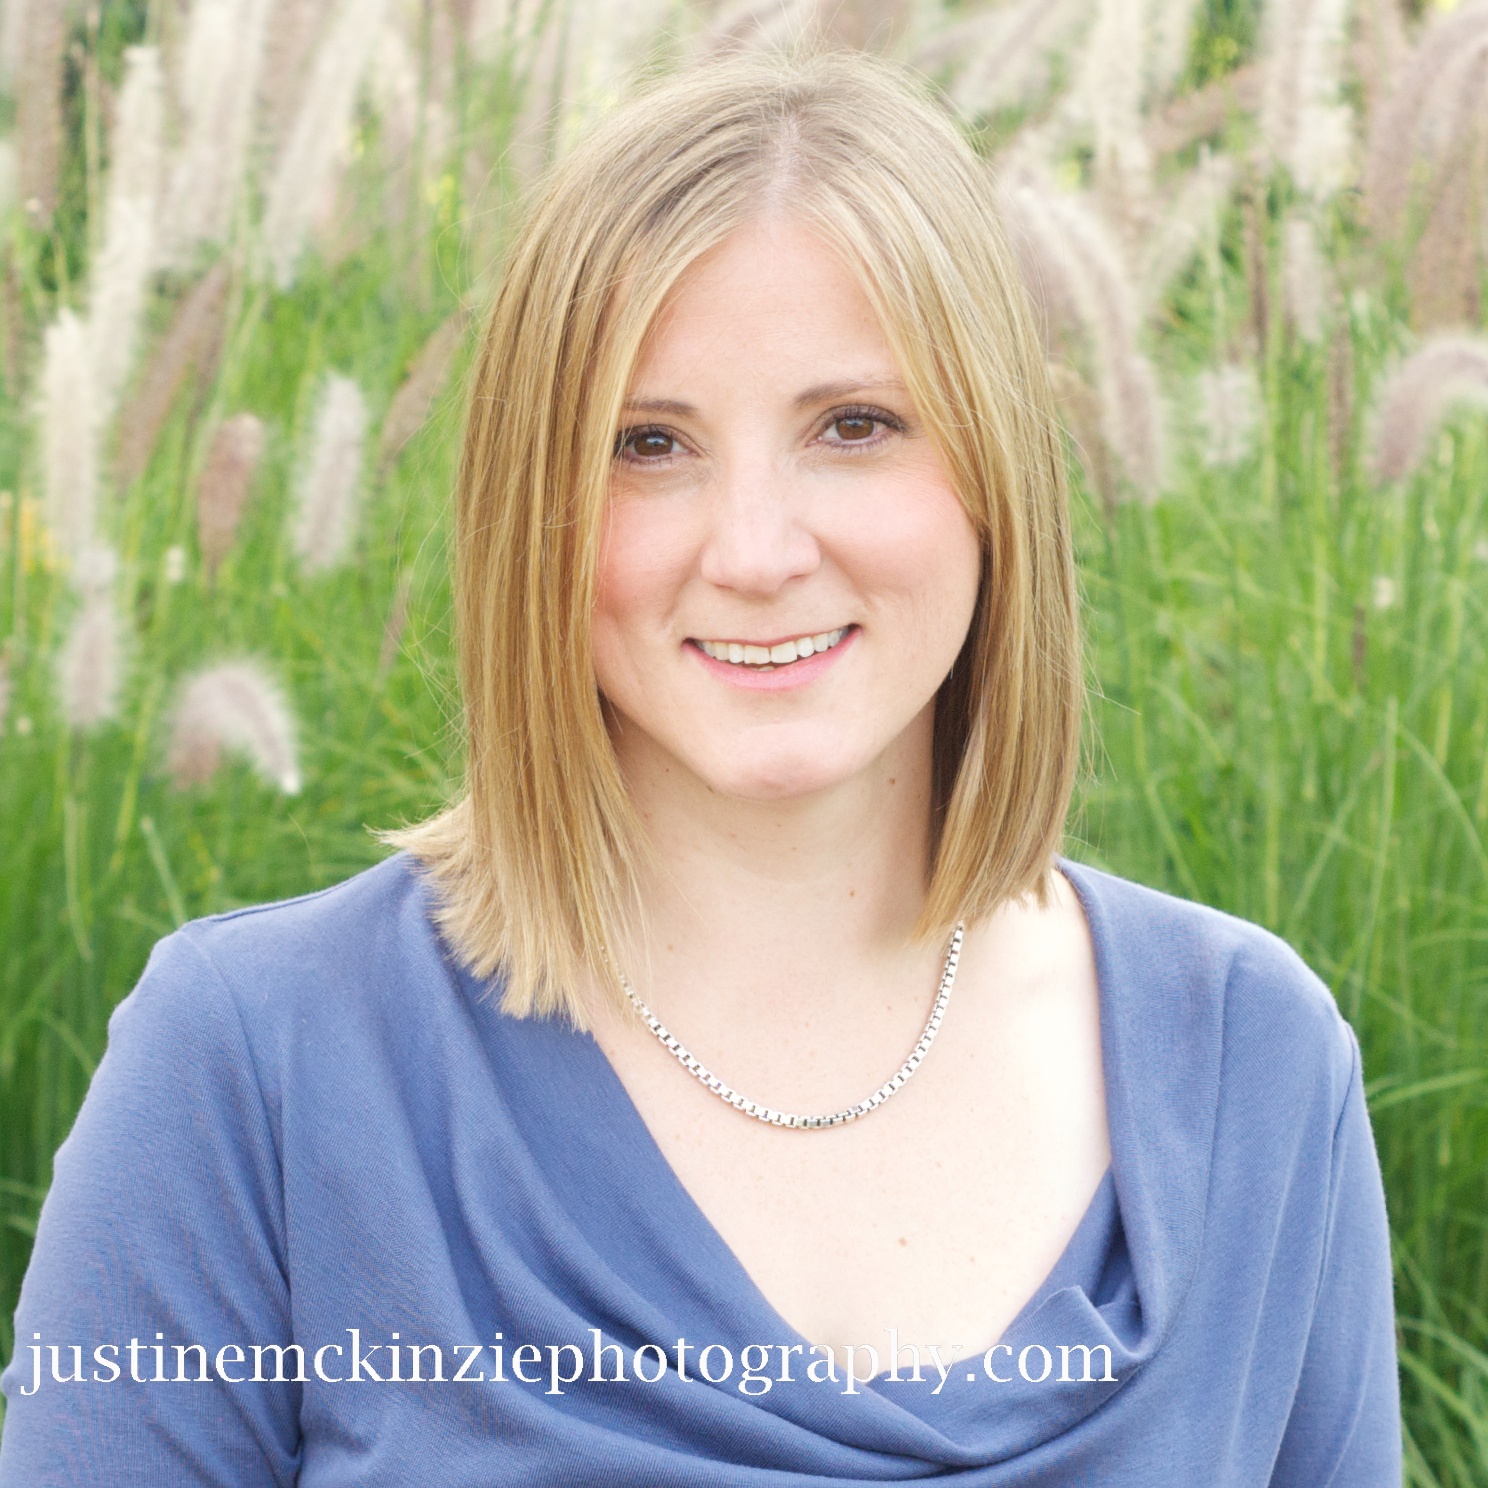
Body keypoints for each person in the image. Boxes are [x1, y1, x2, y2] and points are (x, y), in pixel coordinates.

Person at [0, 50, 1400, 1486]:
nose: (755, 551)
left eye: (854, 427)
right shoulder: (259, 1070)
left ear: (997, 472)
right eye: (648, 444)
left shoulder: (1254, 1065)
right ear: (533, 504)